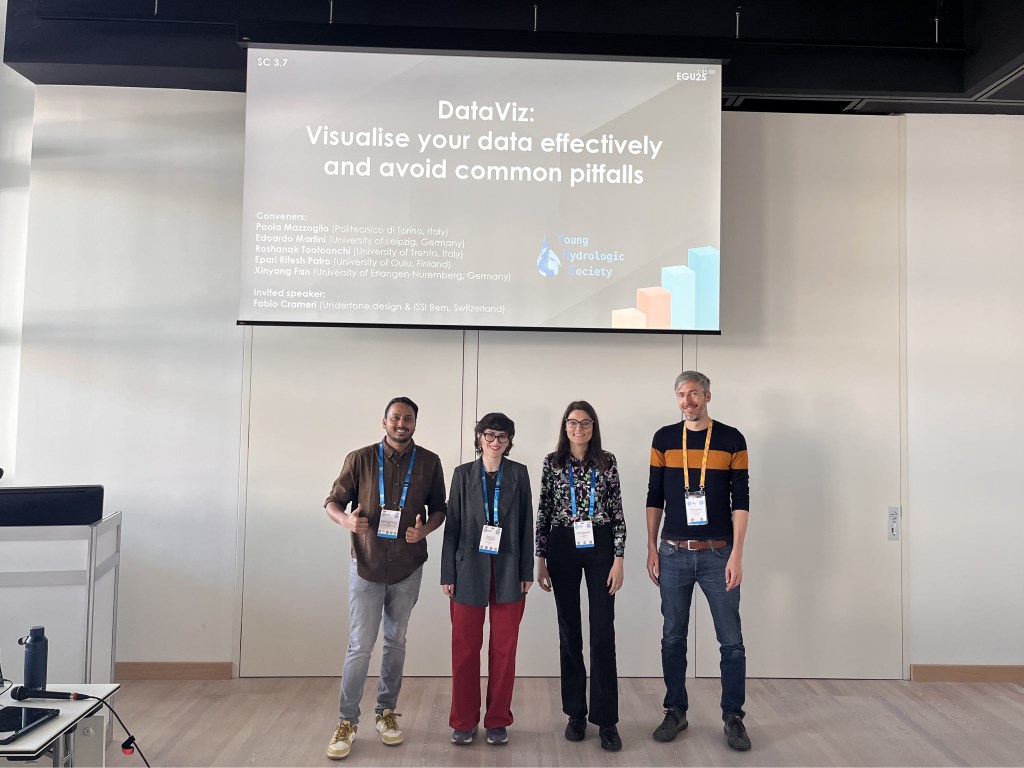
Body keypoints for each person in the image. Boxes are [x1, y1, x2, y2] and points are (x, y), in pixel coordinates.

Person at [323, 396, 447, 760]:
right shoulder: (360, 459)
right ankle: (347, 721)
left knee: (396, 641)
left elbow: (440, 510)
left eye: (408, 419)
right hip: (367, 563)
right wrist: (346, 520)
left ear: (415, 423)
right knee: (360, 645)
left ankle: (386, 712)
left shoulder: (429, 462)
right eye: (395, 418)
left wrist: (424, 531)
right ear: (384, 422)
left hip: (408, 566)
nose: (401, 424)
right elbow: (332, 501)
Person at [646, 371, 752, 752]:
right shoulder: (663, 439)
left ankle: (733, 717)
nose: (687, 401)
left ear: (707, 395)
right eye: (680, 394)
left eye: (693, 393)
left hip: (719, 553)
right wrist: (651, 546)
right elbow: (654, 496)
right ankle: (675, 710)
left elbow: (741, 500)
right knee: (672, 637)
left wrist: (737, 553)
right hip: (673, 552)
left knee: (731, 641)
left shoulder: (731, 439)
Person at [536, 401, 626, 752]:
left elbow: (617, 511)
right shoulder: (552, 463)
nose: (579, 428)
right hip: (562, 545)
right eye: (573, 422)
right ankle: (575, 713)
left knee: (603, 632)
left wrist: (619, 558)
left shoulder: (607, 461)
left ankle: (607, 720)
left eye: (585, 423)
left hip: (600, 544)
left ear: (593, 427)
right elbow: (544, 511)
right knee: (569, 630)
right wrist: (540, 559)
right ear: (565, 426)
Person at [440, 413, 533, 746]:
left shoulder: (519, 473)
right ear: (479, 437)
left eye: (503, 436)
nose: (496, 442)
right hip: (467, 571)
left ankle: (497, 720)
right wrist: (447, 573)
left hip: (509, 571)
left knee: (504, 650)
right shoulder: (462, 474)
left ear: (510, 441)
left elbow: (527, 524)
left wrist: (526, 571)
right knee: (464, 649)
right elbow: (452, 526)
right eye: (490, 435)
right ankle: (463, 721)